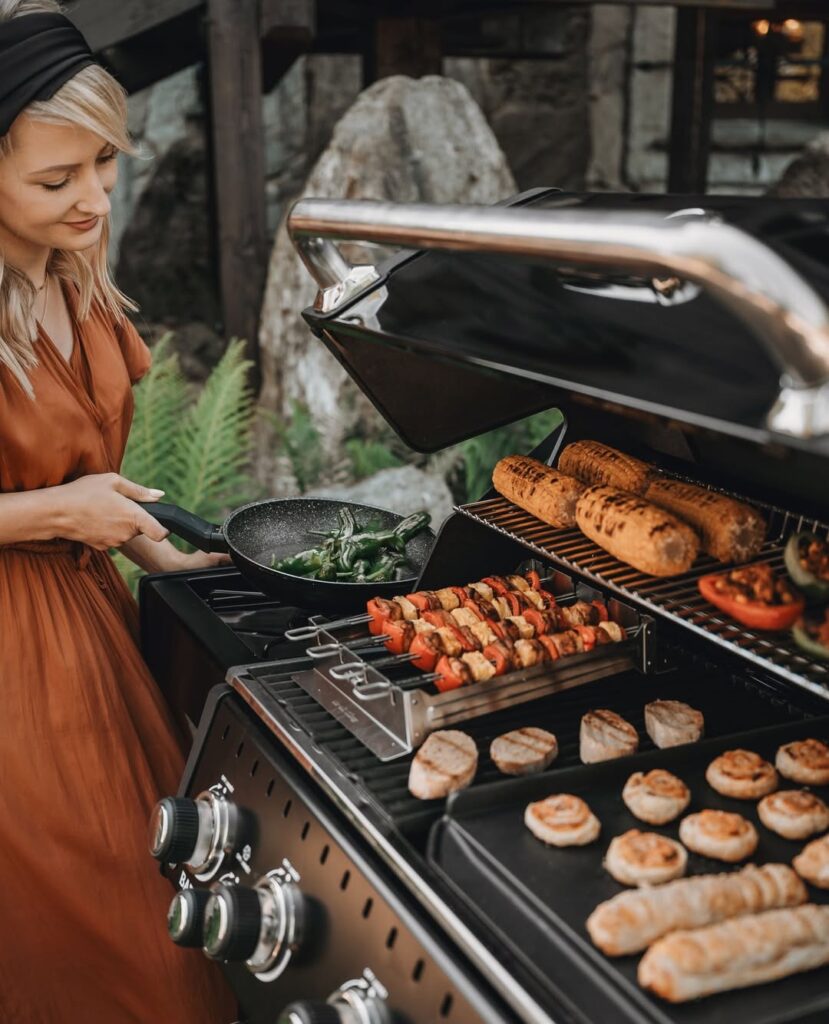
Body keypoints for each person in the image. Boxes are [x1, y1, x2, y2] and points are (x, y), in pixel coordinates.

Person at [0, 2, 237, 1020]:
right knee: (114, 951)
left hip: (90, 634)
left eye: (105, 163)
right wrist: (56, 510)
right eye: (56, 179)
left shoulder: (74, 268)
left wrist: (155, 551)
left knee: (180, 913)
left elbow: (91, 472)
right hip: (10, 671)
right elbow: (61, 493)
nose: (95, 198)